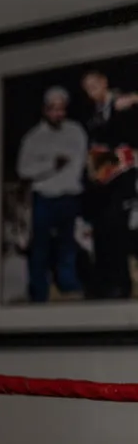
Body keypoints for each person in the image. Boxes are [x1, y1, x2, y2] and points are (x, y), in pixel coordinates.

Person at [16, 86, 87, 302]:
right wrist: (51, 166)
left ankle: (67, 283)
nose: (58, 113)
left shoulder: (76, 131)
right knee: (40, 247)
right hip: (44, 199)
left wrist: (71, 181)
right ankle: (39, 291)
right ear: (45, 110)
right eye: (53, 109)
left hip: (69, 197)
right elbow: (23, 170)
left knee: (68, 244)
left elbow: (81, 160)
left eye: (61, 109)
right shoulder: (33, 138)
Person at [80, 70, 138, 298]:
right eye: (86, 87)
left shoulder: (124, 103)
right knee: (102, 235)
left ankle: (121, 288)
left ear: (104, 81)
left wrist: (133, 98)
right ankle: (104, 287)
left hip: (122, 180)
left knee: (118, 235)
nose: (91, 89)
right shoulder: (93, 115)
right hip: (101, 184)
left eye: (94, 83)